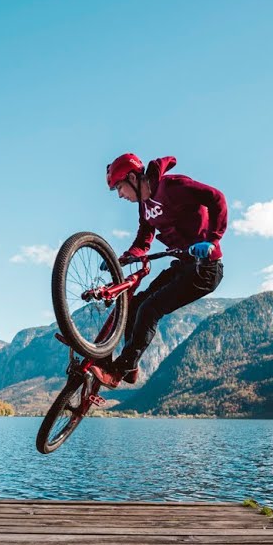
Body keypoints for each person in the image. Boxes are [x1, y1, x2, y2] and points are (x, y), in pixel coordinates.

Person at [89, 153, 227, 388]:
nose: (120, 195)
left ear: (133, 178)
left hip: (205, 270)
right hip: (183, 266)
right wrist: (124, 258)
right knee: (134, 306)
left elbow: (217, 198)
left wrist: (213, 239)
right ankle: (131, 365)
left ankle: (119, 371)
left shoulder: (173, 187)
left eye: (120, 187)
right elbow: (144, 239)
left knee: (150, 310)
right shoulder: (144, 207)